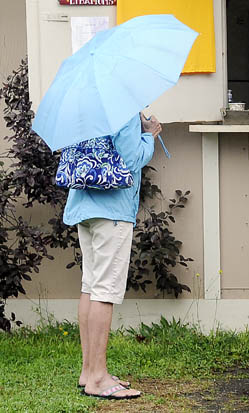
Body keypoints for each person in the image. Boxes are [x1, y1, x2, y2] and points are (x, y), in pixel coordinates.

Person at [66, 112, 161, 400]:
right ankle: (98, 377)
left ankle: (88, 370)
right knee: (105, 291)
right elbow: (131, 160)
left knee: (90, 286)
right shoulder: (123, 107)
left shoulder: (87, 106)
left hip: (84, 206)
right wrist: (149, 135)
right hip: (113, 211)